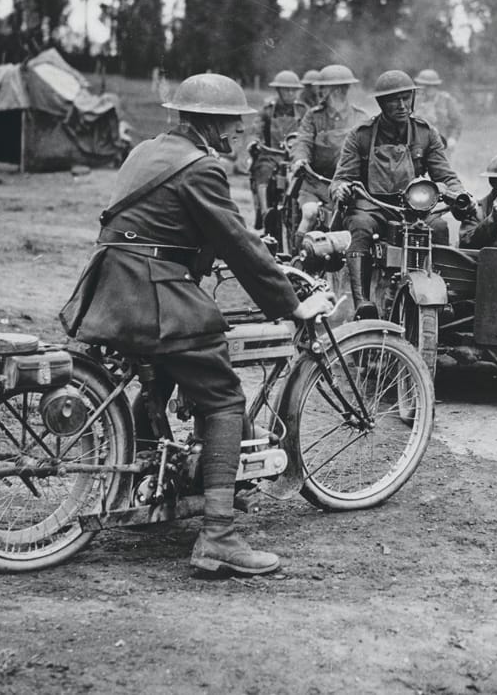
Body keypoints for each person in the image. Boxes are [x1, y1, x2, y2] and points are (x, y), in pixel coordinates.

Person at [59, 73, 335, 577]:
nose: (236, 138)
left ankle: (136, 486)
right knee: (224, 397)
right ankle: (219, 536)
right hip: (153, 290)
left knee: (161, 376)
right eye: (233, 126)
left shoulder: (148, 150)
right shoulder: (201, 168)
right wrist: (290, 302)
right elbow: (236, 240)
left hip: (113, 285)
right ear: (214, 125)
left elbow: (161, 224)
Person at [330, 70, 471, 319]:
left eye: (406, 98)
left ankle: (443, 297)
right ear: (382, 103)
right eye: (394, 100)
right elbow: (341, 178)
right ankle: (363, 302)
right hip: (371, 205)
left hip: (413, 207)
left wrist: (458, 193)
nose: (402, 105)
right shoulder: (361, 135)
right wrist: (341, 189)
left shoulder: (426, 133)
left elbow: (446, 175)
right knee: (360, 226)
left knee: (438, 227)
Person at [290, 64, 366, 247]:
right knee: (309, 214)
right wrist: (300, 159)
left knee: (360, 221)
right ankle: (298, 261)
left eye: (343, 88)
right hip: (315, 183)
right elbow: (304, 141)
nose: (339, 93)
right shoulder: (313, 116)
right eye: (334, 89)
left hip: (347, 186)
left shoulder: (360, 117)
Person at [250, 70, 304, 230]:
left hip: (295, 155)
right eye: (286, 90)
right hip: (271, 155)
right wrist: (254, 141)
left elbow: (310, 129)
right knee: (262, 171)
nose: (290, 93)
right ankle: (265, 212)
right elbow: (256, 128)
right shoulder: (267, 110)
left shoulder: (302, 110)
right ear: (278, 91)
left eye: (293, 90)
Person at [414, 68, 465, 157]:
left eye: (428, 86)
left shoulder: (446, 100)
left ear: (435, 86)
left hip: (440, 144)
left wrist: (453, 138)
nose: (424, 90)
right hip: (418, 146)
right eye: (422, 86)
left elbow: (457, 122)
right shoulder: (414, 101)